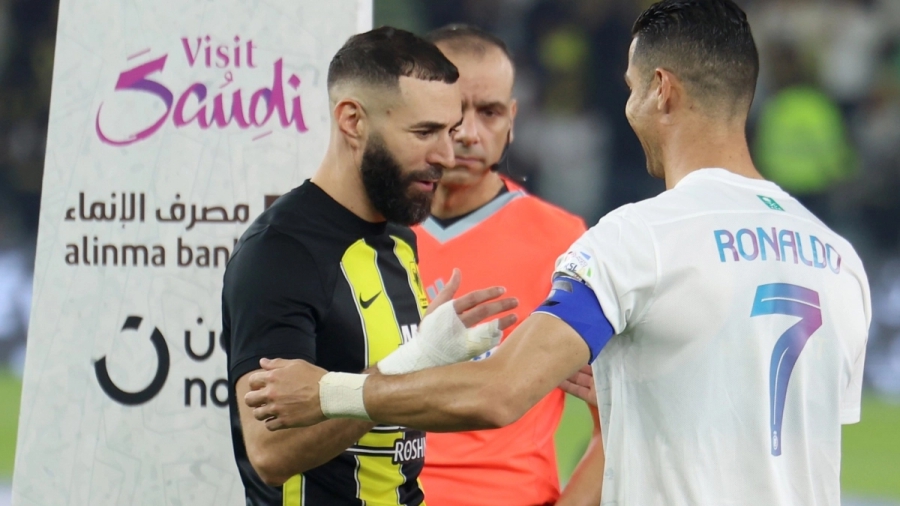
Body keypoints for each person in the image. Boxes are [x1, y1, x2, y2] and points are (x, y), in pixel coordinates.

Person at [245, 2, 871, 505]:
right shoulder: (841, 261)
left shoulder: (639, 238)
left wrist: (327, 393)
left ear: (661, 91)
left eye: (629, 89)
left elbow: (501, 391)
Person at [222, 26, 518, 506]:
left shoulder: (400, 237)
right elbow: (271, 454)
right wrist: (412, 362)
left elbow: (403, 415)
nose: (446, 155)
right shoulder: (280, 252)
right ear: (352, 121)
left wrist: (437, 364)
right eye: (424, 132)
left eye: (449, 131)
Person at [412, 24, 603, 506]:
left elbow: (618, 421)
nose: (469, 134)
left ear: (512, 120)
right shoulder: (364, 233)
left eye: (490, 112)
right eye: (453, 112)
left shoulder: (565, 244)